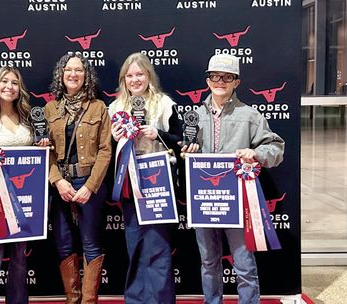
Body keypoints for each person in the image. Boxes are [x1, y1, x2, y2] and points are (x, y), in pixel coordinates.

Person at [194, 53, 285, 304]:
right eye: (215, 76)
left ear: (236, 82)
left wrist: (255, 153)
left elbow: (276, 149)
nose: (220, 81)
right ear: (208, 80)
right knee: (208, 261)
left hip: (237, 202)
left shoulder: (250, 115)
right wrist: (184, 150)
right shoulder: (195, 115)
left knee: (244, 262)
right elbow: (185, 148)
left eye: (227, 77)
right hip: (204, 199)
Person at [109, 52, 194, 304]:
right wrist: (115, 140)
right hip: (128, 182)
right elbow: (104, 151)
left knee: (157, 243)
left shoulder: (165, 104)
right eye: (130, 75)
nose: (135, 79)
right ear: (123, 79)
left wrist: (158, 134)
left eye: (140, 74)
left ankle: (161, 299)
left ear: (149, 76)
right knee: (134, 242)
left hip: (159, 179)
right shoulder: (114, 108)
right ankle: (135, 299)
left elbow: (181, 142)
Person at [0, 67, 49, 304]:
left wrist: (42, 146)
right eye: (4, 81)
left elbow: (36, 155)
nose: (9, 86)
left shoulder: (29, 117)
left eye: (15, 83)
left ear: (20, 89)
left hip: (25, 197)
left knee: (20, 258)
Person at [45, 53, 111, 304]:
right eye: (68, 70)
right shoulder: (49, 109)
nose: (73, 74)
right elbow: (45, 150)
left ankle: (88, 301)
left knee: (91, 243)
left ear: (87, 76)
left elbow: (106, 150)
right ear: (61, 75)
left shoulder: (98, 107)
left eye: (79, 70)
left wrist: (90, 186)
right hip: (60, 186)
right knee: (63, 243)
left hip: (88, 185)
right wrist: (57, 181)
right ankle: (72, 300)